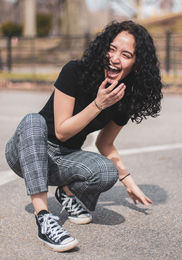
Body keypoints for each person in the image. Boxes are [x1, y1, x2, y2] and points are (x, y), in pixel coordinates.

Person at [5, 20, 162, 252]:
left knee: (107, 171)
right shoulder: (74, 71)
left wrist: (128, 182)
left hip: (63, 159)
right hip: (27, 150)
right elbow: (61, 130)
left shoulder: (123, 97)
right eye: (111, 48)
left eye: (126, 54)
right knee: (33, 120)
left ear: (136, 65)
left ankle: (66, 193)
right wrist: (98, 104)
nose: (115, 58)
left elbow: (104, 143)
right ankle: (44, 217)